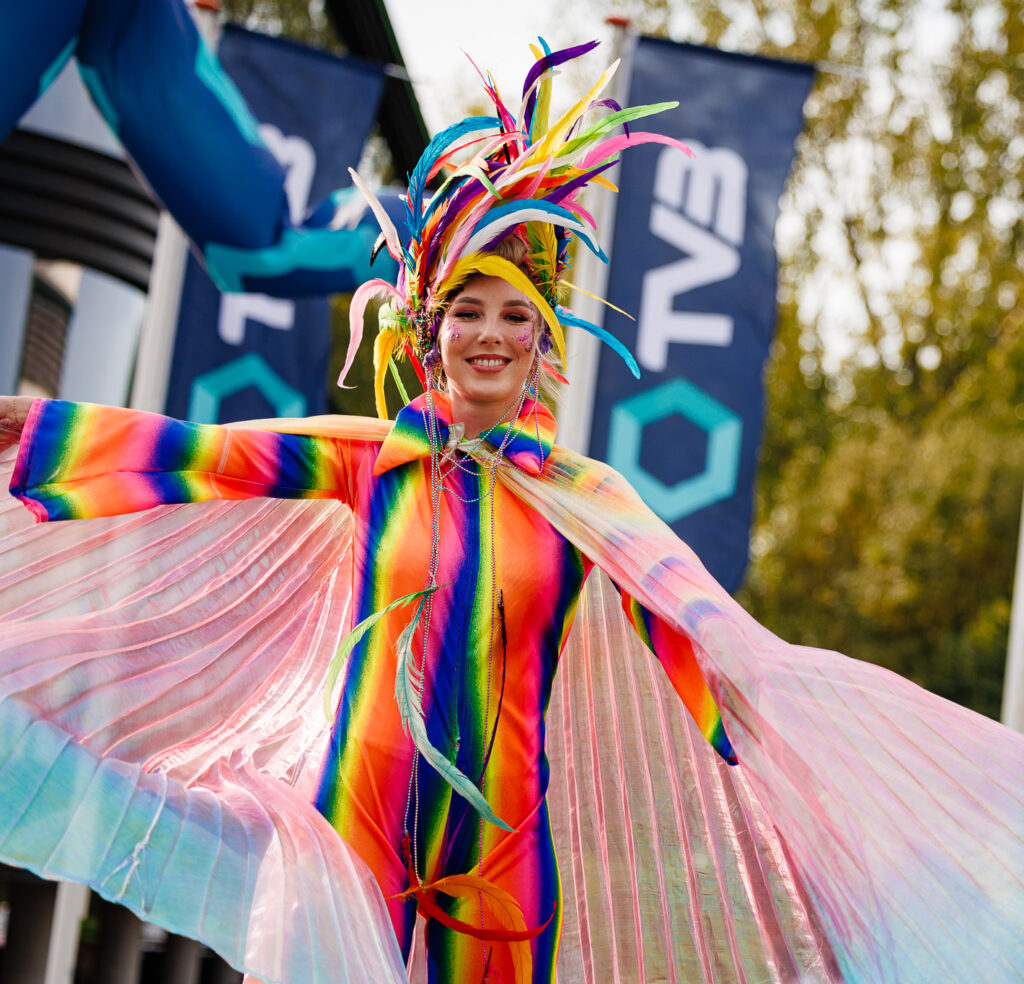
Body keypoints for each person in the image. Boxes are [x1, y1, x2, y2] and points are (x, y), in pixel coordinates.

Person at [1, 41, 1023, 984]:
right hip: (354, 818)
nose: (487, 336)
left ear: (542, 344)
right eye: (466, 313)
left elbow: (704, 640)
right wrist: (30, 429)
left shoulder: (588, 503)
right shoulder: (374, 460)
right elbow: (202, 453)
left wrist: (782, 750)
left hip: (501, 849)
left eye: (513, 318)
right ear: (428, 331)